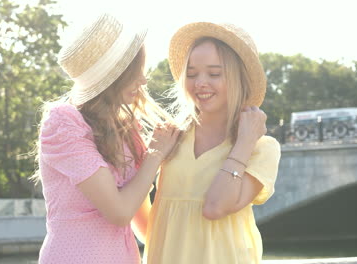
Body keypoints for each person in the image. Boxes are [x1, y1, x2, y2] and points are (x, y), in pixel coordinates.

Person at [34, 14, 179, 263]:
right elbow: (120, 212)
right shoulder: (63, 123)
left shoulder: (125, 129)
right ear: (113, 76)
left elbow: (142, 224)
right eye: (135, 72)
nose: (143, 80)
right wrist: (155, 155)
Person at [142, 22, 281, 263]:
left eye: (214, 73)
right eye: (192, 74)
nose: (200, 83)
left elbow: (215, 207)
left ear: (239, 78)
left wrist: (245, 142)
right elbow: (135, 204)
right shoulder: (170, 137)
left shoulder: (261, 149)